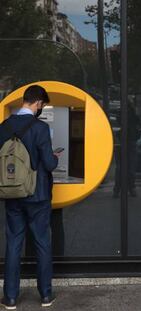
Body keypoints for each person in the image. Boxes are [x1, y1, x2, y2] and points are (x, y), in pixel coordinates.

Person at [0, 85, 61, 309]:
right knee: (42, 243)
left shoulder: (4, 126)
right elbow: (48, 163)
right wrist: (54, 157)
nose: (40, 109)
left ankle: (11, 298)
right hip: (38, 195)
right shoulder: (41, 128)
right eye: (41, 105)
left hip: (13, 193)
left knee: (14, 243)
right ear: (37, 103)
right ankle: (45, 295)